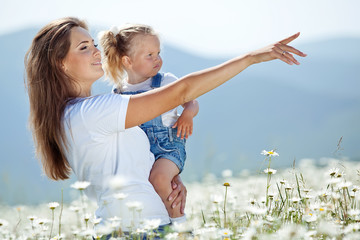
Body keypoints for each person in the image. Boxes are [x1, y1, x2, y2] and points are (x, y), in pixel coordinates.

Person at [24, 17, 306, 236]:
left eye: (93, 44)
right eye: (84, 48)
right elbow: (182, 91)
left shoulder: (87, 111)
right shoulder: (91, 112)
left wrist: (169, 174)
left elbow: (129, 159)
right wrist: (250, 58)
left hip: (148, 225)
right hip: (138, 231)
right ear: (60, 64)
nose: (96, 52)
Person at [99, 24, 199, 221]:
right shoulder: (119, 92)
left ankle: (180, 222)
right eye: (150, 55)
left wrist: (188, 113)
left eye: (158, 53)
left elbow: (192, 100)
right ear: (128, 61)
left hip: (167, 149)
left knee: (159, 179)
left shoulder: (165, 81)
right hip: (138, 154)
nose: (157, 59)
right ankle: (156, 222)